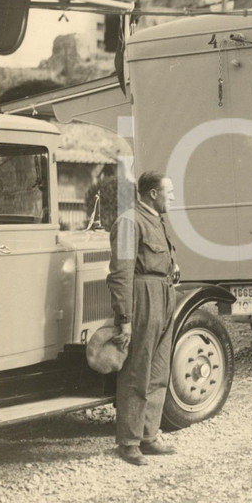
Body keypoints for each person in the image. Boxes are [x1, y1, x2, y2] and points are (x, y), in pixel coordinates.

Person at [107, 171, 181, 466]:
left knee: (159, 371)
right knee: (137, 371)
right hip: (143, 299)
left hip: (163, 295)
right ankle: (129, 442)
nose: (173, 197)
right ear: (152, 193)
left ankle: (149, 436)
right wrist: (124, 317)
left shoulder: (156, 220)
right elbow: (121, 273)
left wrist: (172, 268)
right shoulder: (130, 221)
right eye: (169, 191)